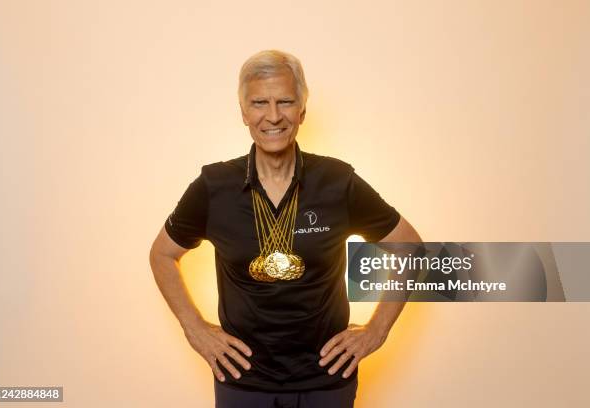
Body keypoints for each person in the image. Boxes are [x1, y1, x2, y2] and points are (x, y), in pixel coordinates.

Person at [149, 50, 422, 408]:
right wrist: (194, 328)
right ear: (244, 113)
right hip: (241, 380)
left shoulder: (338, 182)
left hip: (326, 379)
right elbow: (162, 254)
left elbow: (411, 248)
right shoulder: (213, 186)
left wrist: (377, 330)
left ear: (302, 112)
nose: (273, 116)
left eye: (285, 102)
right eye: (260, 102)